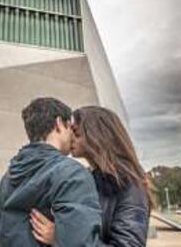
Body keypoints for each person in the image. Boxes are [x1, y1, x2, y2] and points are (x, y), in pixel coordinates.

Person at [30, 106, 152, 247]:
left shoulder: (131, 186)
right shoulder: (87, 179)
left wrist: (61, 238)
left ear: (97, 134)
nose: (70, 137)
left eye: (75, 131)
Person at [0, 98, 102, 247]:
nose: (72, 135)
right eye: (70, 127)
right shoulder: (72, 174)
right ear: (58, 124)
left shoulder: (9, 175)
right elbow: (82, 243)